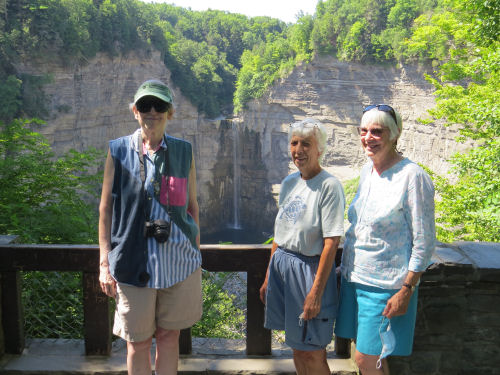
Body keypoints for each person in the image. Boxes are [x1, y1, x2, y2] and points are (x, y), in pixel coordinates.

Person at [98, 79, 202, 375]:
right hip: (133, 262)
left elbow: (192, 207)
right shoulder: (118, 151)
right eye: (145, 105)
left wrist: (195, 253)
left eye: (160, 106)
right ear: (135, 111)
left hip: (178, 264)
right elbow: (105, 208)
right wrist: (104, 262)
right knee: (138, 343)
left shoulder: (184, 151)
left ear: (170, 113)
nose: (152, 112)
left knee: (170, 338)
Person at [334, 104, 436, 375]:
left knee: (368, 358)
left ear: (395, 134)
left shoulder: (413, 177)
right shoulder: (368, 171)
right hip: (353, 278)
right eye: (364, 131)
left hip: (384, 285)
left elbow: (425, 242)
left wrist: (406, 290)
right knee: (363, 353)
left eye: (377, 131)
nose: (368, 137)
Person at [259, 118, 345, 375]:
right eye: (294, 143)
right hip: (283, 266)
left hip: (309, 272)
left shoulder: (329, 186)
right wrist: (267, 278)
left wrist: (316, 292)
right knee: (297, 348)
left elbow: (331, 242)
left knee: (313, 350)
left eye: (306, 144)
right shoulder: (289, 183)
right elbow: (280, 233)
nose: (298, 150)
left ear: (320, 150)